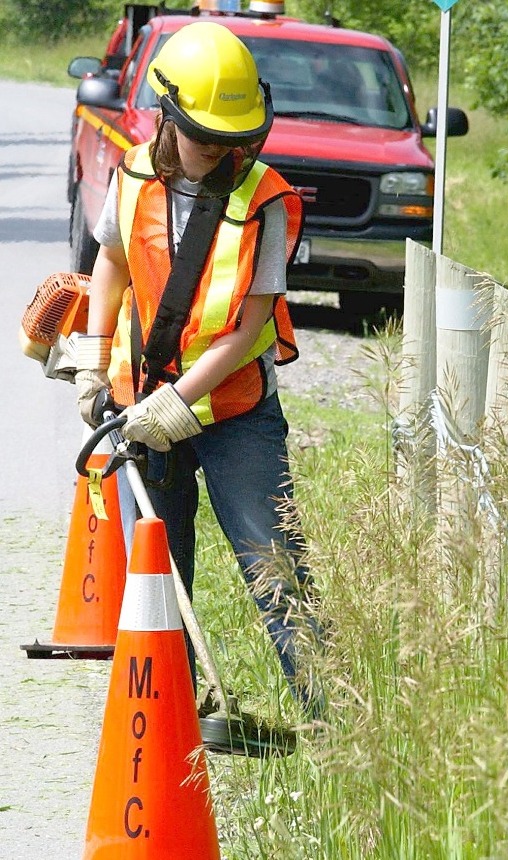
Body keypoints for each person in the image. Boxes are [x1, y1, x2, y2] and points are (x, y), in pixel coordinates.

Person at [73, 21, 322, 720]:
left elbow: (251, 328)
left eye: (232, 139)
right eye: (203, 136)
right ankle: (174, 720)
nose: (219, 150)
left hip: (236, 416)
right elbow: (113, 266)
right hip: (142, 410)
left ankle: (339, 722)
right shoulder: (133, 177)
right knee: (158, 574)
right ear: (169, 115)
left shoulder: (263, 201)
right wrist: (95, 368)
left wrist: (181, 401)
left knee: (275, 568)